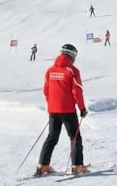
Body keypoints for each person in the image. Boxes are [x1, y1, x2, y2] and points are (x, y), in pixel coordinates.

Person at [37, 43, 88, 176]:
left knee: (52, 137)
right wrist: (82, 108)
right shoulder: (72, 70)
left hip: (53, 109)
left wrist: (52, 104)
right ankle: (77, 166)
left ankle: (43, 165)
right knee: (75, 137)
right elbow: (77, 92)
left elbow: (46, 90)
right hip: (68, 110)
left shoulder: (50, 70)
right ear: (72, 55)